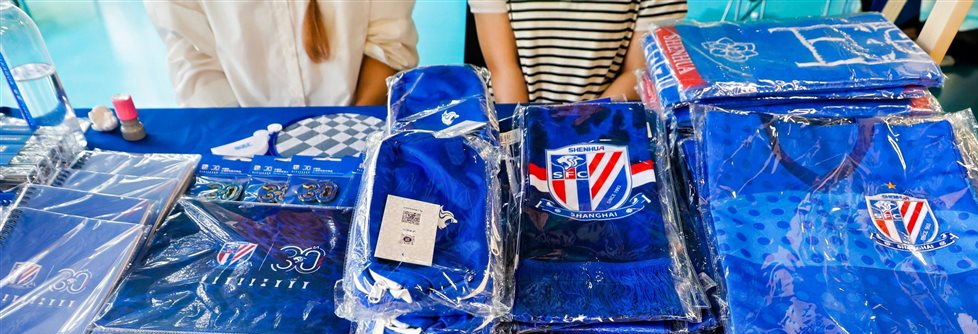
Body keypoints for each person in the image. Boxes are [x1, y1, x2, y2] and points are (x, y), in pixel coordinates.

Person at [144, 0, 418, 107]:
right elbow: (197, 65)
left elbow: (387, 45)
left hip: (358, 116)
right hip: (245, 135)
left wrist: (352, 131)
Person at [469, 0, 686, 104]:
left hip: (605, 122)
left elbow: (637, 72)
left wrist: (585, 124)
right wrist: (521, 136)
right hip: (513, 116)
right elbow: (503, 68)